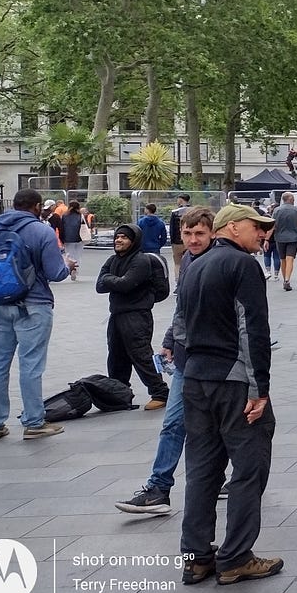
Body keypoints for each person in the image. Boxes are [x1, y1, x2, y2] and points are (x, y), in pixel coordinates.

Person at [178, 203, 281, 586]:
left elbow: (182, 329)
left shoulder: (195, 264)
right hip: (233, 382)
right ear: (234, 227)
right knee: (249, 468)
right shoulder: (242, 266)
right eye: (257, 226)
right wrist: (260, 390)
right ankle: (236, 557)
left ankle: (196, 557)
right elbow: (251, 330)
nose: (263, 233)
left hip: (196, 379)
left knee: (202, 470)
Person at [115, 206, 218, 515]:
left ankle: (239, 476)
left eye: (200, 233)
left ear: (212, 232)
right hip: (188, 358)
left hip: (218, 359)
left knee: (225, 425)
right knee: (173, 424)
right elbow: (181, 306)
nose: (193, 239)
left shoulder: (223, 261)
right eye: (188, 233)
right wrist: (170, 341)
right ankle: (159, 488)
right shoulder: (187, 260)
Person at [0, 188, 74, 440]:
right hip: (34, 304)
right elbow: (56, 273)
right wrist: (67, 265)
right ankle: (34, 422)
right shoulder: (41, 230)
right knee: (31, 364)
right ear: (36, 206)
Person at [96, 223, 169, 410]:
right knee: (116, 357)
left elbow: (126, 284)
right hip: (117, 314)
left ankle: (160, 392)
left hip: (136, 315)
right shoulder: (112, 260)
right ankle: (119, 394)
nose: (119, 240)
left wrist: (109, 280)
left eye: (124, 237)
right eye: (117, 236)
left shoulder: (141, 260)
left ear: (134, 241)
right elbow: (99, 286)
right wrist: (113, 281)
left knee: (141, 355)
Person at [270, 192, 297, 292]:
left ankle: (285, 278)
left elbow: (273, 225)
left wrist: (267, 239)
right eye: (293, 199)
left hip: (279, 238)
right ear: (289, 199)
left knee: (282, 259)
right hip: (293, 237)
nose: (294, 201)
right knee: (290, 259)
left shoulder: (276, 210)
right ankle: (287, 279)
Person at [169, 194, 191, 281]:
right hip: (188, 240)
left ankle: (178, 281)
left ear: (181, 200)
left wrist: (172, 241)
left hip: (177, 241)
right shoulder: (193, 211)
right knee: (190, 260)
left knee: (177, 263)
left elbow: (172, 229)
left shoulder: (175, 212)